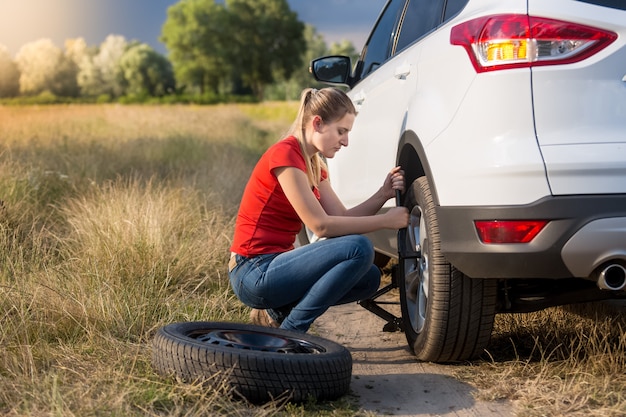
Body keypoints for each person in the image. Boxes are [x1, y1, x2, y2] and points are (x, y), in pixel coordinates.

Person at [228, 87, 409, 333]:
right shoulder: (285, 154)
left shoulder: (315, 164)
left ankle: (275, 314)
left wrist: (383, 193)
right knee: (360, 248)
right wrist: (385, 221)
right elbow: (321, 226)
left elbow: (341, 218)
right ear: (318, 123)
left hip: (274, 267)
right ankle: (292, 332)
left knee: (369, 278)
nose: (345, 141)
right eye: (341, 131)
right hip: (252, 271)